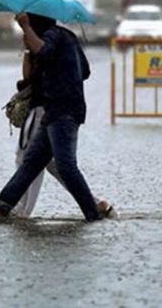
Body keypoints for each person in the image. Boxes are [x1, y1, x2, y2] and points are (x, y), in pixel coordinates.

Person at [0, 12, 111, 222]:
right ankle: (3, 207)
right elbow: (83, 71)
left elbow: (45, 51)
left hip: (64, 110)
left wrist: (26, 28)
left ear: (36, 21)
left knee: (66, 166)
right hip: (54, 110)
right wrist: (50, 62)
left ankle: (93, 212)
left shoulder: (54, 36)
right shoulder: (66, 38)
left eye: (30, 22)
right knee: (32, 162)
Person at [12, 48, 116, 219]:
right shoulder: (60, 44)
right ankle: (95, 203)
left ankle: (21, 210)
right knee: (51, 162)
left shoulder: (43, 42)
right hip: (55, 109)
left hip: (43, 109)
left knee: (28, 158)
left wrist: (27, 51)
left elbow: (28, 77)